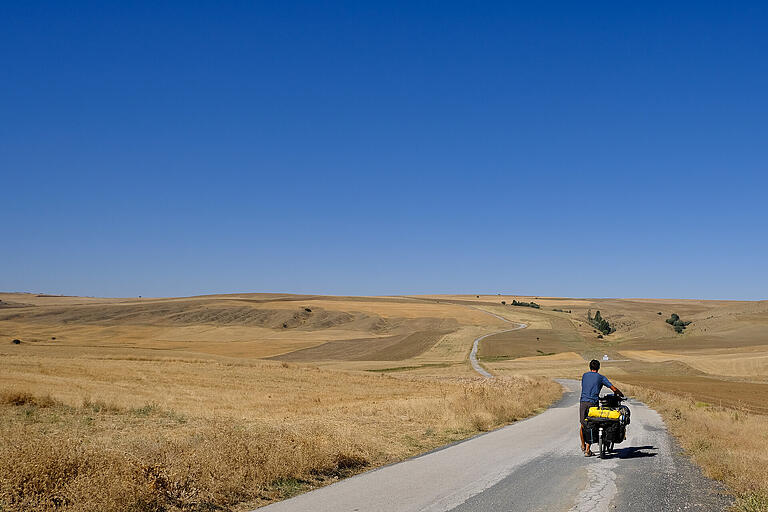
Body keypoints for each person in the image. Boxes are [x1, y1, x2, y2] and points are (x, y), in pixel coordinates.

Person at [580, 359, 622, 456]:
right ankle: (587, 450)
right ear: (598, 368)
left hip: (583, 402)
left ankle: (583, 445)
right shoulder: (601, 377)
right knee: (592, 424)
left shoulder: (584, 375)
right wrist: (620, 394)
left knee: (583, 424)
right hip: (593, 403)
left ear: (589, 367)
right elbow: (613, 388)